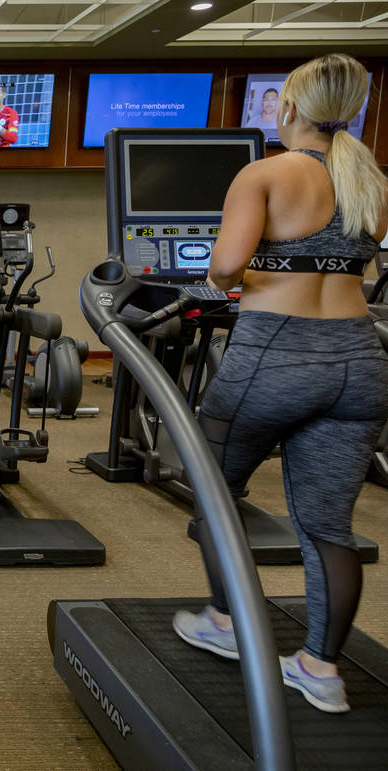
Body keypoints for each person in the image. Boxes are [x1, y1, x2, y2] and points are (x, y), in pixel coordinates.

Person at [172, 53, 388, 714]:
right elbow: (364, 255)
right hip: (359, 361)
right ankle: (321, 668)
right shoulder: (370, 180)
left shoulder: (263, 172)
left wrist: (208, 281)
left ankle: (227, 621)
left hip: (276, 353)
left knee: (212, 490)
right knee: (329, 526)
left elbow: (226, 269)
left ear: (287, 107)